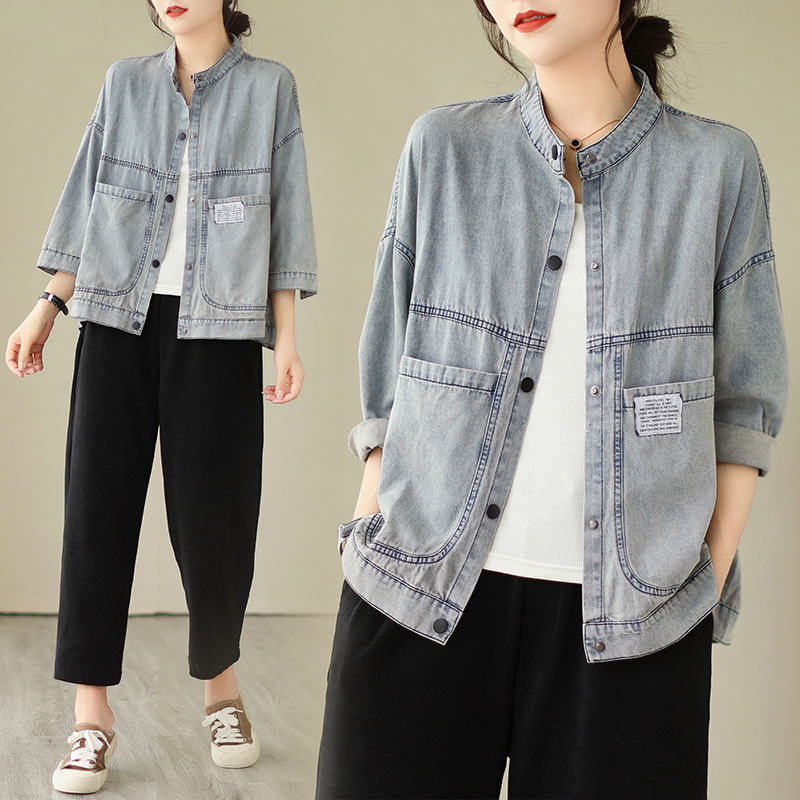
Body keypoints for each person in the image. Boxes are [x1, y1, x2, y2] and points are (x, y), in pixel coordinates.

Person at [315, 1, 788, 798]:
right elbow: (391, 374)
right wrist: (370, 523)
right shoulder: (444, 147)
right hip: (418, 592)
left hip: (637, 627)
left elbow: (744, 404)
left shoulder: (716, 167)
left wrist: (699, 574)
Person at [5, 0, 317, 794]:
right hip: (115, 321)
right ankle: (90, 715)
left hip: (220, 329)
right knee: (96, 514)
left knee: (217, 523)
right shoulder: (124, 83)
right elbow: (88, 199)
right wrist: (48, 306)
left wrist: (285, 335)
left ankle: (222, 691)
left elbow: (287, 213)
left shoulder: (270, 88)